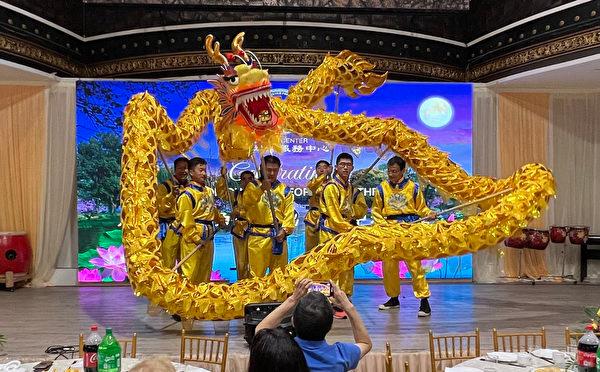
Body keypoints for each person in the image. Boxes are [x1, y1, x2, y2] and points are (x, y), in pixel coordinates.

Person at [256, 279, 372, 372]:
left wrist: (292, 299)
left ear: (293, 322)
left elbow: (261, 330)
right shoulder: (341, 355)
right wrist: (348, 307)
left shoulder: (280, 352)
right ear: (330, 326)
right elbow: (365, 343)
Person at [372, 156, 436, 316]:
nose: (391, 174)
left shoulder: (413, 188)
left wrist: (430, 214)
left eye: (394, 171)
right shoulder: (382, 188)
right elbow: (375, 211)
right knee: (389, 266)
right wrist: (385, 227)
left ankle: (424, 301)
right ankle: (393, 298)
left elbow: (422, 209)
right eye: (389, 171)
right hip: (390, 231)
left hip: (409, 230)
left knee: (415, 266)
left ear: (403, 171)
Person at [318, 153, 367, 319]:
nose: (345, 167)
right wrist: (351, 229)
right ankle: (329, 303)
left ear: (352, 167)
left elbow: (360, 210)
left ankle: (344, 299)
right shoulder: (331, 187)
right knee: (331, 267)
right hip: (331, 232)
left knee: (347, 266)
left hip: (346, 231)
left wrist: (351, 212)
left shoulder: (351, 189)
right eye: (342, 164)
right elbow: (334, 216)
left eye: (349, 164)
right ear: (336, 167)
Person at [241, 155, 295, 278]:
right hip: (258, 236)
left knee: (279, 275)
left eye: (274, 170)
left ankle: (277, 298)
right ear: (261, 168)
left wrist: (285, 230)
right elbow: (246, 203)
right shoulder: (252, 186)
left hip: (278, 236)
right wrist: (261, 189)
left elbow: (289, 213)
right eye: (268, 170)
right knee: (256, 275)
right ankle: (255, 297)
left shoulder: (284, 189)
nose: (271, 173)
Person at [175, 157, 226, 284]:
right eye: (201, 170)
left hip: (209, 237)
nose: (204, 173)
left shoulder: (208, 191)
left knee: (205, 273)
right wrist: (196, 238)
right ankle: (187, 301)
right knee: (190, 273)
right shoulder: (187, 194)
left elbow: (211, 210)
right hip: (194, 238)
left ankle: (201, 300)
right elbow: (186, 220)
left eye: (205, 170)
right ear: (191, 172)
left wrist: (220, 219)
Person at [216, 167, 255, 280]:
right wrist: (223, 177)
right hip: (239, 232)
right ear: (241, 182)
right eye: (244, 179)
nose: (247, 181)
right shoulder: (236, 194)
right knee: (241, 263)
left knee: (253, 263)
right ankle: (242, 286)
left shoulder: (259, 196)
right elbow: (222, 192)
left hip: (254, 232)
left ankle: (254, 287)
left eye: (250, 179)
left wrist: (239, 212)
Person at [157, 157, 189, 268]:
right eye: (180, 168)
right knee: (167, 262)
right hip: (169, 228)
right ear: (174, 170)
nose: (183, 171)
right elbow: (160, 209)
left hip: (185, 229)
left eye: (186, 168)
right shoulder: (164, 187)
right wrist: (171, 196)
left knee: (185, 263)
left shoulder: (190, 187)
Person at [304, 160, 331, 252]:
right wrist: (324, 176)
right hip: (313, 218)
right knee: (310, 250)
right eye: (319, 167)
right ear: (315, 170)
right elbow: (311, 191)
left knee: (326, 249)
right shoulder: (311, 183)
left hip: (328, 219)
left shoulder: (333, 184)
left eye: (324, 167)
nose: (322, 169)